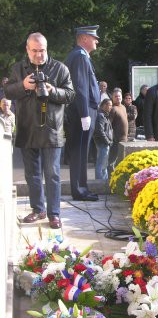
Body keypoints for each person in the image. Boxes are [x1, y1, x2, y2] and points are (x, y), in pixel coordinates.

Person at [5, 32, 74, 229]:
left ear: (47, 48)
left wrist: (52, 91)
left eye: (42, 50)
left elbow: (70, 94)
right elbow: (8, 91)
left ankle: (54, 214)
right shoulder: (18, 69)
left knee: (52, 174)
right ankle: (38, 209)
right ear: (27, 50)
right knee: (32, 174)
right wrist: (24, 85)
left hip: (51, 129)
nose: (38, 55)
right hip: (27, 128)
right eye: (34, 51)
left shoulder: (60, 68)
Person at [65, 25, 101, 201]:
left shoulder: (82, 56)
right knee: (79, 151)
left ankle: (82, 188)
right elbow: (80, 87)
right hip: (82, 113)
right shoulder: (80, 57)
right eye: (94, 37)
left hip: (84, 112)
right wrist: (85, 113)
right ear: (84, 38)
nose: (97, 41)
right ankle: (79, 190)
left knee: (82, 151)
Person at [108, 88, 128, 174]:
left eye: (119, 96)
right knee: (112, 161)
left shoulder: (123, 107)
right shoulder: (113, 109)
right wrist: (112, 138)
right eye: (115, 96)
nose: (118, 98)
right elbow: (109, 125)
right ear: (112, 98)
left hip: (124, 139)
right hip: (116, 140)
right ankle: (109, 179)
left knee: (121, 161)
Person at [93, 98, 113, 180]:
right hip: (102, 143)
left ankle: (104, 181)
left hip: (105, 143)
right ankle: (99, 182)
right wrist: (107, 141)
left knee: (104, 164)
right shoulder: (100, 115)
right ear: (103, 105)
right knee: (101, 164)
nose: (110, 107)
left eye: (111, 105)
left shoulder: (105, 115)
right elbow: (100, 130)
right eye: (109, 105)